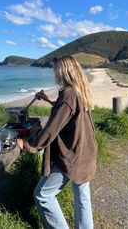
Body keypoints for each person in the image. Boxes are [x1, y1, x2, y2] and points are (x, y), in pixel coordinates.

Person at [17, 55, 97, 229]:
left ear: (64, 71)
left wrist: (30, 146)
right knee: (83, 197)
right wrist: (47, 100)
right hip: (87, 150)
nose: (55, 74)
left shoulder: (68, 94)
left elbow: (52, 128)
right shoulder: (79, 89)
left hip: (73, 154)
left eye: (56, 70)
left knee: (42, 195)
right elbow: (66, 111)